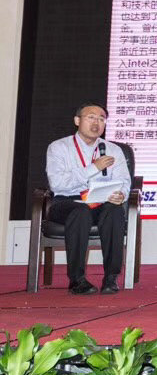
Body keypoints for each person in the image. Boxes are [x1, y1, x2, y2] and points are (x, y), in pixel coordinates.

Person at [44, 103, 130, 294]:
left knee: (115, 211)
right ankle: (77, 280)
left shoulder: (113, 150)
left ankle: (111, 278)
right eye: (91, 117)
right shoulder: (59, 147)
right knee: (80, 211)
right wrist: (94, 168)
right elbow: (57, 184)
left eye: (101, 119)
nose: (96, 123)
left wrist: (121, 194)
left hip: (101, 200)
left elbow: (124, 180)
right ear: (77, 121)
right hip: (67, 202)